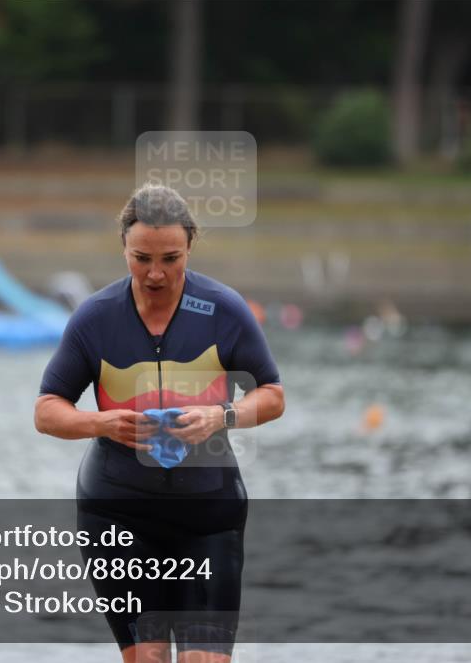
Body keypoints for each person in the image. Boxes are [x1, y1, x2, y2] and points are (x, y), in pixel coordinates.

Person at [34, 183, 285, 663]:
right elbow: (47, 410)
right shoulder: (96, 318)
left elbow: (272, 397)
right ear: (123, 249)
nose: (155, 274)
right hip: (118, 514)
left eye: (171, 258)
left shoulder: (224, 311)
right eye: (141, 258)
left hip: (207, 514)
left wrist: (222, 415)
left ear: (190, 245)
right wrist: (102, 423)